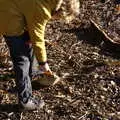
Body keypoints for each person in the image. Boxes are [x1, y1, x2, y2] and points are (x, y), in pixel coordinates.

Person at [0, 0, 80, 111]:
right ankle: (25, 101)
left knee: (29, 44)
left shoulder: (46, 2)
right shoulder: (42, 10)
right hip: (8, 20)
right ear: (61, 12)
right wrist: (43, 63)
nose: (56, 19)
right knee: (22, 61)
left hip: (11, 10)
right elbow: (38, 39)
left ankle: (33, 74)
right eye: (59, 18)